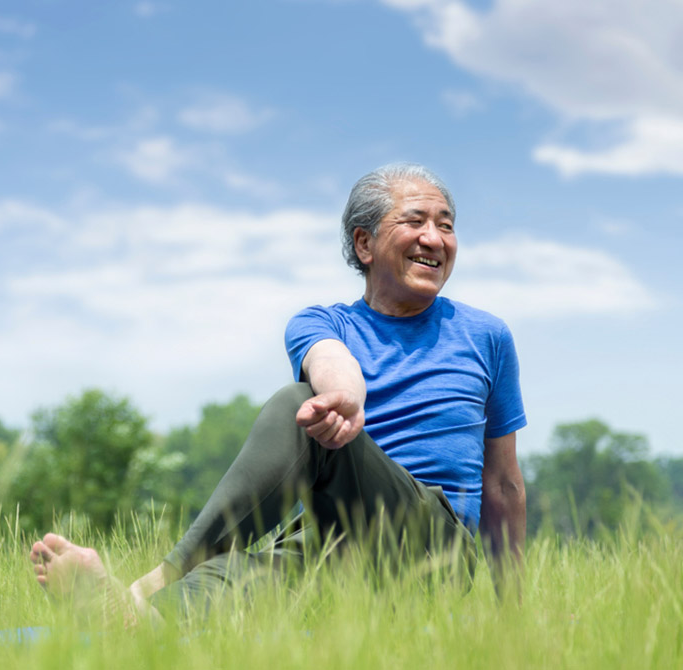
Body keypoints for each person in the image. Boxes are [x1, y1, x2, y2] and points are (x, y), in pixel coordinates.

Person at [30, 163, 527, 623]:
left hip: (428, 546)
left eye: (446, 224)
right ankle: (130, 617)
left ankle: (156, 578)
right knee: (222, 583)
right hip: (321, 545)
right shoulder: (320, 322)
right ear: (364, 244)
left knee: (298, 406)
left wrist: (514, 616)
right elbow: (331, 361)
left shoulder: (486, 336)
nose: (433, 238)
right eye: (415, 221)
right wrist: (346, 395)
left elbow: (503, 485)